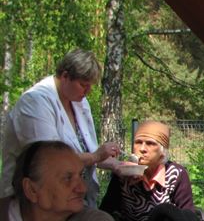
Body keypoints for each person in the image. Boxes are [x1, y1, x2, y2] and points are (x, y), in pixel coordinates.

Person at [0, 48, 122, 207]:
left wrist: (117, 165)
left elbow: (87, 152)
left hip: (70, 200)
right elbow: (50, 161)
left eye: (90, 85)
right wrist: (96, 156)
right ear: (65, 76)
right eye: (83, 85)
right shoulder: (35, 102)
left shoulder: (78, 102)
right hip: (33, 205)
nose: (88, 91)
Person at [100, 120, 196, 221]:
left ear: (163, 152)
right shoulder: (124, 172)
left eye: (150, 144)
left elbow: (188, 218)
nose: (142, 149)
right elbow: (106, 213)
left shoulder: (175, 174)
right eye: (138, 142)